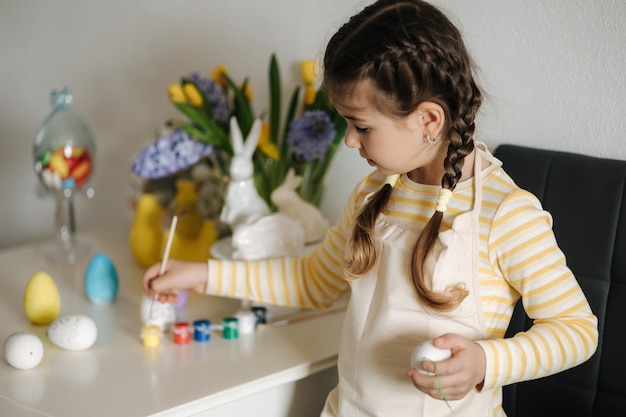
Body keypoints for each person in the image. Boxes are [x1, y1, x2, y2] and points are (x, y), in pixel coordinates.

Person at [142, 1, 599, 415]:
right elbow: (311, 281)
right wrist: (202, 273)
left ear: (428, 120)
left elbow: (577, 330)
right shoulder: (372, 194)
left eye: (361, 126)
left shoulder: (505, 213)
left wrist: (486, 361)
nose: (348, 140)